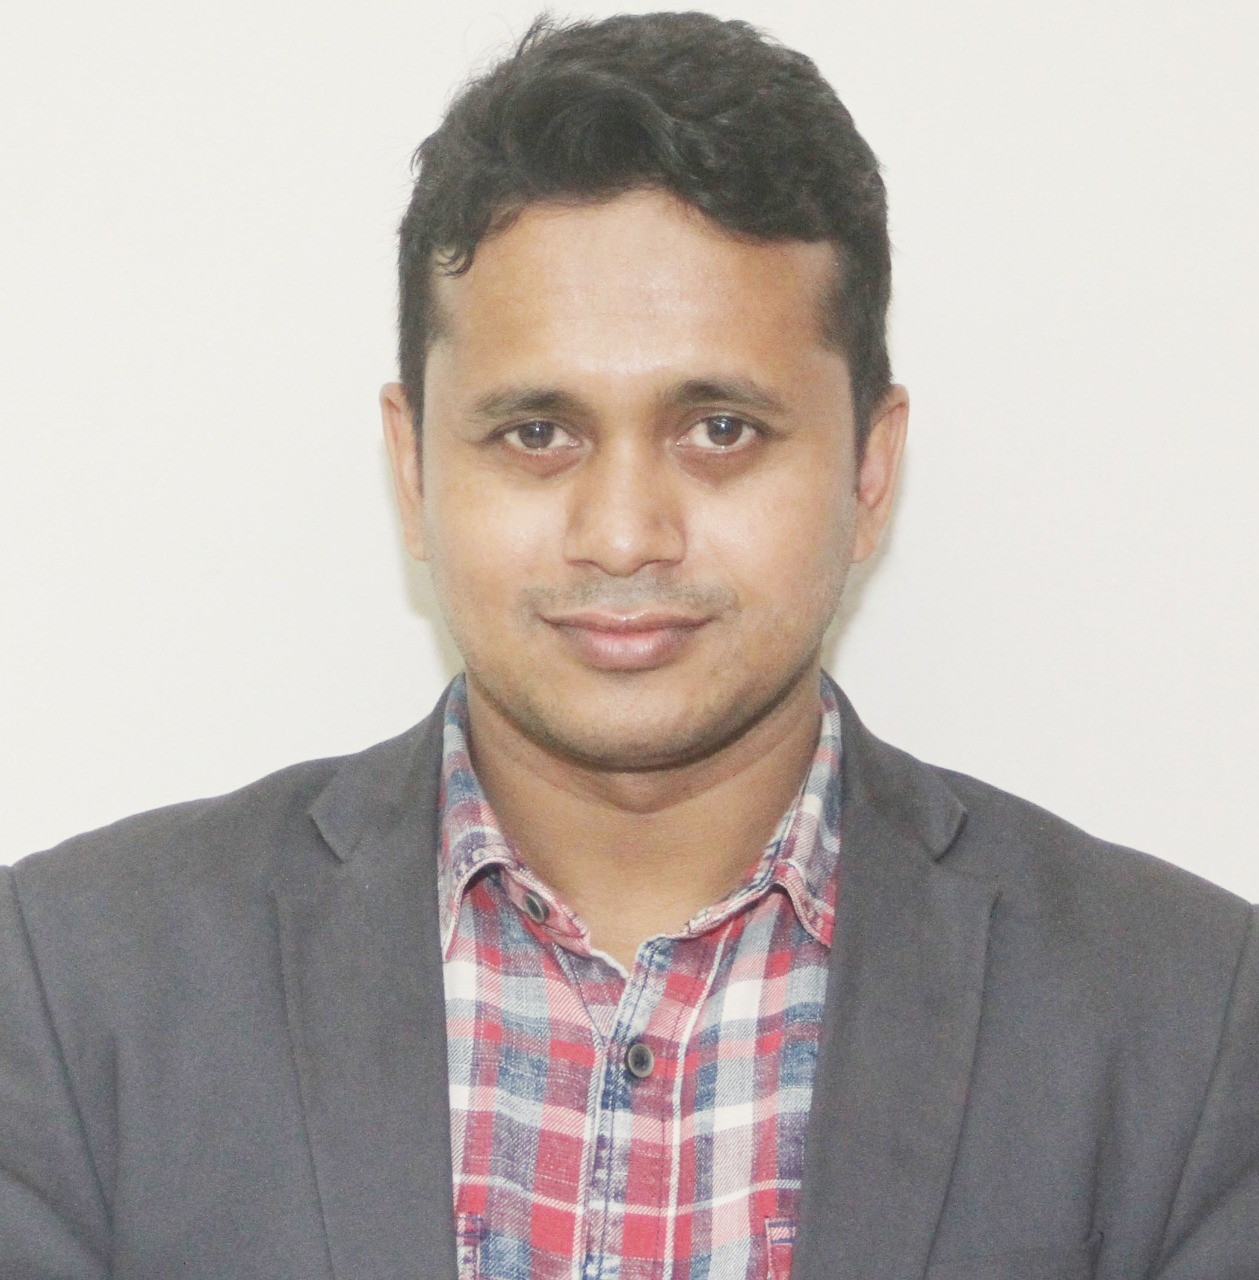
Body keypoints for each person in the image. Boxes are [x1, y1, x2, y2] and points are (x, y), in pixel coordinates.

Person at [2, 11, 1255, 1279]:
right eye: (536, 432)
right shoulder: (70, 992)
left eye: (719, 429)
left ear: (869, 469)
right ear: (413, 468)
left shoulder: (1191, 1024)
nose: (621, 534)